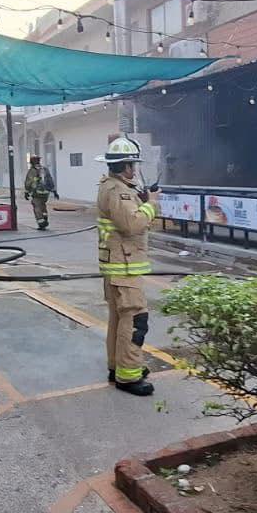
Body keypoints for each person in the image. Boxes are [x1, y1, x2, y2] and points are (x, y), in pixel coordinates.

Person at [94, 136, 159, 396]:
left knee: (119, 319)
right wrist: (151, 204)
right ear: (126, 167)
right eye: (133, 165)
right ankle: (128, 376)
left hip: (118, 266)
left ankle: (118, 365)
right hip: (125, 268)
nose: (135, 170)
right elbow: (131, 224)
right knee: (134, 320)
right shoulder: (118, 191)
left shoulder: (113, 187)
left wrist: (140, 199)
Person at [23, 155, 57, 230]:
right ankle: (45, 218)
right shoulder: (45, 169)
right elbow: (50, 180)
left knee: (37, 206)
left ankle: (41, 222)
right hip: (45, 193)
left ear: (31, 162)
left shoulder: (32, 171)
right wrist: (54, 191)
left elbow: (28, 182)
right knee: (43, 205)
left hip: (36, 192)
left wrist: (26, 192)